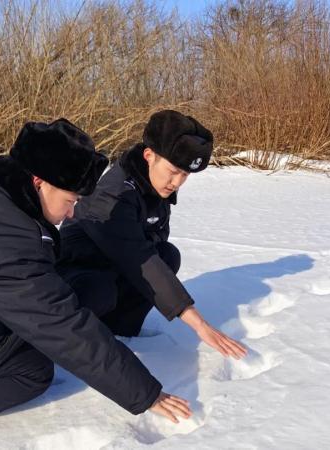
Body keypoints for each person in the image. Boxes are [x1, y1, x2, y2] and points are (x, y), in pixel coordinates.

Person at [0, 118, 191, 441]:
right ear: (39, 181)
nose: (71, 213)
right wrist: (146, 394)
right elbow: (64, 329)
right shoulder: (2, 246)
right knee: (32, 370)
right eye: (71, 200)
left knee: (79, 292)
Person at [58, 110, 248, 360]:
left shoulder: (156, 187)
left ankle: (121, 331)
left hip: (117, 265)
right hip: (78, 273)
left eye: (185, 175)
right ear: (149, 156)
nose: (177, 182)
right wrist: (198, 324)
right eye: (173, 171)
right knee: (100, 290)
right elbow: (139, 258)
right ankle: (77, 346)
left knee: (168, 256)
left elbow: (153, 249)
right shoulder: (113, 195)